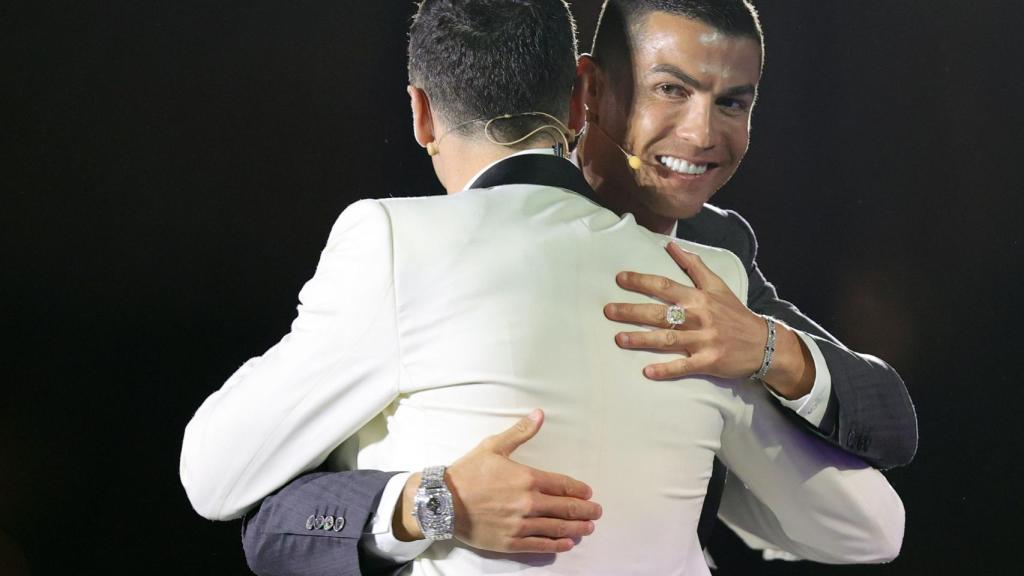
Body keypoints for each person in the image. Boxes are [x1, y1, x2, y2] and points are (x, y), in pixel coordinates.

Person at [181, 0, 912, 574]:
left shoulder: (713, 272)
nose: (700, 135)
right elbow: (870, 524)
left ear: (421, 114)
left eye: (732, 103)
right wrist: (434, 501)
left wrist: (769, 352)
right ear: (582, 100)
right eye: (670, 89)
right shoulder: (695, 280)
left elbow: (219, 481)